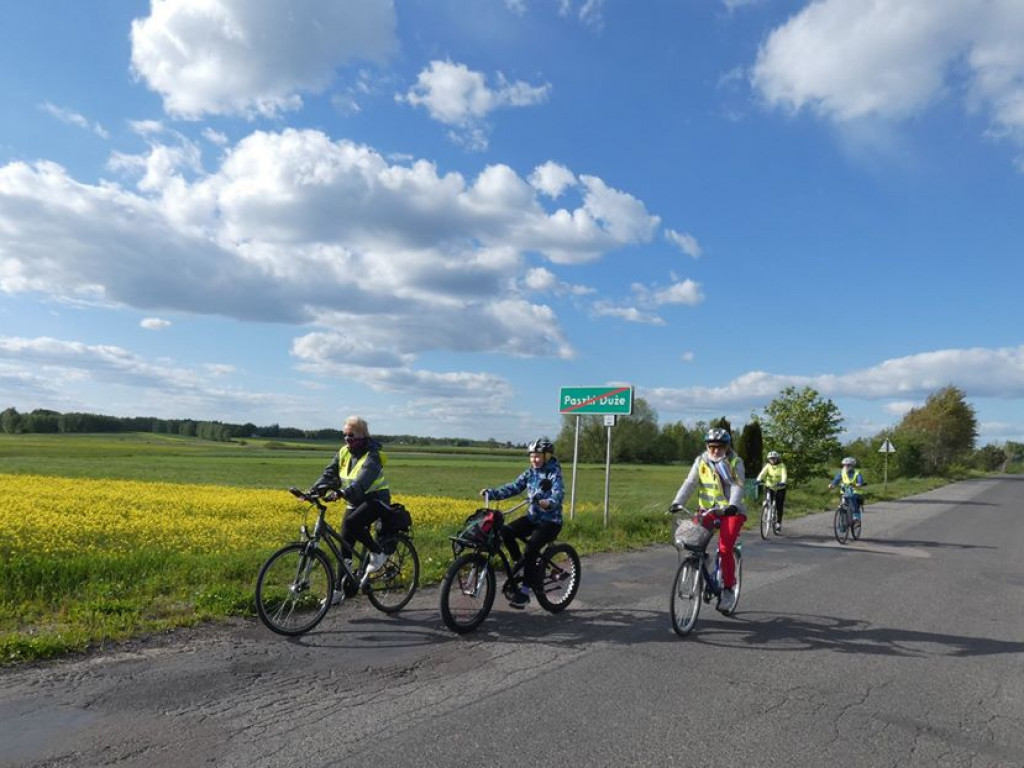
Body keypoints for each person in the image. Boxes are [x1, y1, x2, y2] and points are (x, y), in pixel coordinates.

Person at [480, 437, 565, 609]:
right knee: (505, 531)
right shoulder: (530, 473)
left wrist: (549, 502)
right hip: (533, 518)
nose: (534, 459)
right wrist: (492, 493)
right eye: (532, 456)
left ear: (547, 456)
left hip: (551, 521)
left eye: (538, 456)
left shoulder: (554, 473)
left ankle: (525, 592)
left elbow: (558, 493)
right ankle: (520, 562)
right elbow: (514, 487)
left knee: (531, 548)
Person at [312, 416, 390, 602]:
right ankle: (339, 591)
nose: (347, 439)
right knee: (344, 547)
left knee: (352, 522)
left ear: (363, 435)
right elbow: (329, 473)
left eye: (351, 435)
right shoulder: (344, 452)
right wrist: (315, 489)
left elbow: (363, 480)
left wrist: (342, 492)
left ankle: (378, 553)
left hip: (376, 499)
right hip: (354, 501)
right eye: (345, 435)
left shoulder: (373, 455)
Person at [670, 427, 746, 613]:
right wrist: (677, 502)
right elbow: (690, 483)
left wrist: (732, 505)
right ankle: (702, 559)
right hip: (708, 511)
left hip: (731, 512)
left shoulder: (735, 462)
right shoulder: (701, 461)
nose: (715, 450)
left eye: (719, 447)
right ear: (706, 446)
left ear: (727, 447)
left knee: (725, 549)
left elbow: (737, 486)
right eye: (711, 447)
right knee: (691, 541)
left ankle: (728, 590)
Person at [756, 450, 788, 534]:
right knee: (768, 499)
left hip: (780, 488)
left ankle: (778, 523)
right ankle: (767, 509)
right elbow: (762, 474)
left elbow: (784, 474)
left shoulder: (782, 466)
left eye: (774, 458)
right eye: (770, 458)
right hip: (769, 486)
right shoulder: (767, 466)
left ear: (777, 458)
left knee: (779, 506)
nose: (772, 460)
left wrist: (783, 481)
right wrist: (758, 479)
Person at [828, 456, 866, 521]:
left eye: (848, 465)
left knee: (853, 499)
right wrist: (832, 484)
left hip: (855, 491)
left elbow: (860, 480)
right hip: (845, 491)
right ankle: (843, 518)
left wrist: (859, 484)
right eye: (844, 465)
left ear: (852, 465)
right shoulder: (842, 472)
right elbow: (836, 479)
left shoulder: (857, 472)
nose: (846, 466)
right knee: (843, 503)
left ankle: (856, 516)